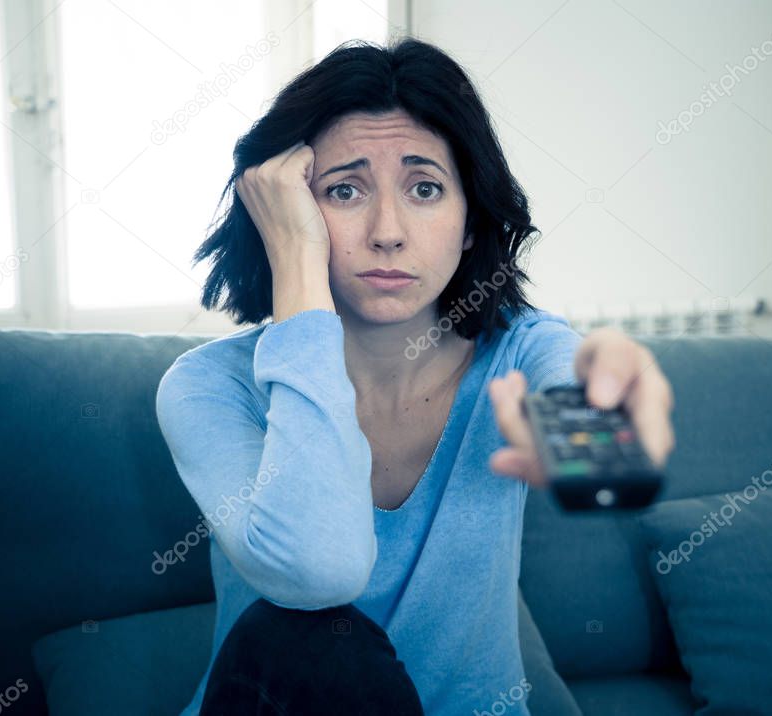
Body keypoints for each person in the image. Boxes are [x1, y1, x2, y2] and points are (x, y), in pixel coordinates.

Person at [155, 36, 675, 716]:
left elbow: (602, 461)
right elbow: (320, 570)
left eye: (424, 188)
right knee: (314, 635)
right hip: (270, 700)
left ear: (468, 222)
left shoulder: (519, 354)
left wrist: (608, 426)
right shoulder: (208, 387)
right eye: (343, 191)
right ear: (287, 217)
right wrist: (298, 277)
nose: (387, 232)